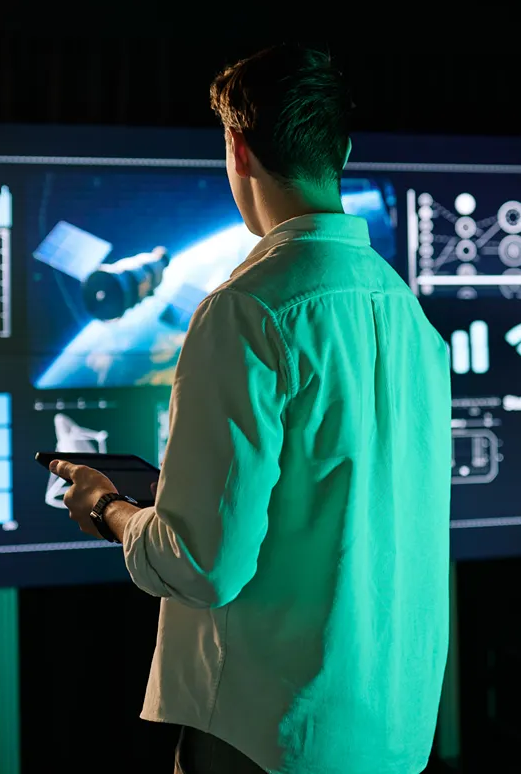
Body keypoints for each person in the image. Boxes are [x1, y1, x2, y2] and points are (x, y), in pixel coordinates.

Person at [50, 44, 453, 774]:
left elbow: (205, 566)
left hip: (264, 737)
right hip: (389, 735)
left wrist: (110, 509)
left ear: (237, 149)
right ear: (345, 150)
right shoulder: (410, 318)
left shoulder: (247, 311)